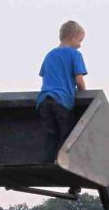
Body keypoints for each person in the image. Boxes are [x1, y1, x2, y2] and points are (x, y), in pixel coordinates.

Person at [36, 20, 87, 163]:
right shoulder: (75, 54)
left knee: (51, 134)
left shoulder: (50, 55)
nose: (80, 45)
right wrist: (83, 92)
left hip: (44, 100)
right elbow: (79, 80)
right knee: (66, 135)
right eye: (80, 40)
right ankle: (62, 163)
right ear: (72, 37)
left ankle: (47, 163)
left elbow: (45, 76)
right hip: (62, 101)